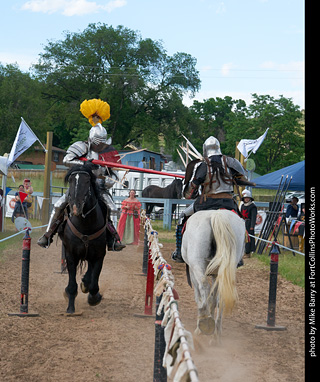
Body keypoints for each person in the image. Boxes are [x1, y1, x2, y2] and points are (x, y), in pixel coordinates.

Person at [37, 98, 125, 251]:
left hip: (99, 187)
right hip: (79, 184)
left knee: (113, 208)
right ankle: (47, 235)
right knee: (59, 204)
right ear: (91, 140)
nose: (100, 147)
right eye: (98, 143)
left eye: (102, 144)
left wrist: (107, 182)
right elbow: (66, 160)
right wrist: (85, 164)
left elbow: (115, 174)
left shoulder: (109, 153)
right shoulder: (81, 146)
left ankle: (114, 239)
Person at [171, 136, 256, 263]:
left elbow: (193, 187)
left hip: (206, 203)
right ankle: (238, 258)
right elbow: (241, 179)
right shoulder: (231, 162)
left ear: (205, 149)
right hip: (228, 203)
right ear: (219, 148)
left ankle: (179, 252)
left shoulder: (203, 165)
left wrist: (189, 193)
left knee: (182, 217)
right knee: (240, 222)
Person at [240, 189, 257, 258]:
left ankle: (249, 251)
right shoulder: (242, 206)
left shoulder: (252, 206)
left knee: (249, 238)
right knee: (243, 238)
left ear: (250, 198)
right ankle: (244, 251)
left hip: (249, 223)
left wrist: (252, 226)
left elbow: (253, 217)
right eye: (245, 198)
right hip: (243, 223)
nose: (246, 199)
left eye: (247, 198)